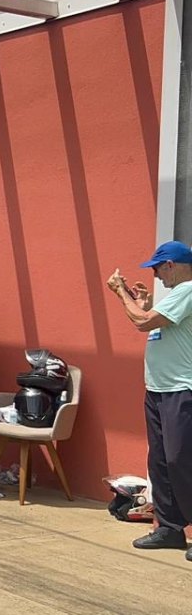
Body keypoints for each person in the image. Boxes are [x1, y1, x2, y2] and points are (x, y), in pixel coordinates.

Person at [106, 240, 192, 561]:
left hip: (182, 391)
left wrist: (121, 293)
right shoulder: (175, 297)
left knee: (182, 460)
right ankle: (170, 529)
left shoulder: (188, 290)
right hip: (158, 391)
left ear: (170, 265)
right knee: (161, 462)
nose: (155, 275)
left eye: (156, 268)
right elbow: (153, 326)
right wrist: (142, 302)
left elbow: (142, 322)